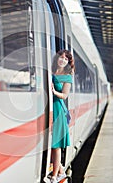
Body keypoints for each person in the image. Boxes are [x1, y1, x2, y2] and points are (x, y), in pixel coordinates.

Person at [49, 49, 75, 183]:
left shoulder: (67, 77)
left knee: (56, 144)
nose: (63, 60)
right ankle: (60, 170)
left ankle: (54, 175)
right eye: (61, 57)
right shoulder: (51, 71)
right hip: (49, 108)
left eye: (66, 59)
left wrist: (53, 91)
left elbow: (64, 96)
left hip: (58, 110)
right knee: (52, 142)